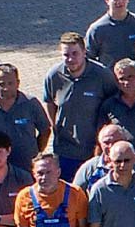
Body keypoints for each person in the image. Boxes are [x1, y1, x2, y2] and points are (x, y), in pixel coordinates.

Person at [41, 33, 114, 177]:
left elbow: (114, 105)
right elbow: (49, 101)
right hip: (65, 150)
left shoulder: (102, 75)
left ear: (84, 52)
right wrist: (55, 126)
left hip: (94, 149)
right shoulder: (54, 76)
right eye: (66, 55)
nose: (71, 59)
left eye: (75, 53)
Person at [0, 63, 46, 174]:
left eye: (11, 83)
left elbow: (45, 130)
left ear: (18, 83)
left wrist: (36, 152)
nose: (6, 88)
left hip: (27, 169)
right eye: (1, 84)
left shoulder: (30, 103)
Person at [83, 0, 135, 75]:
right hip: (109, 82)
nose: (119, 1)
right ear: (107, 0)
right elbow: (89, 59)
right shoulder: (97, 29)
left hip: (134, 81)